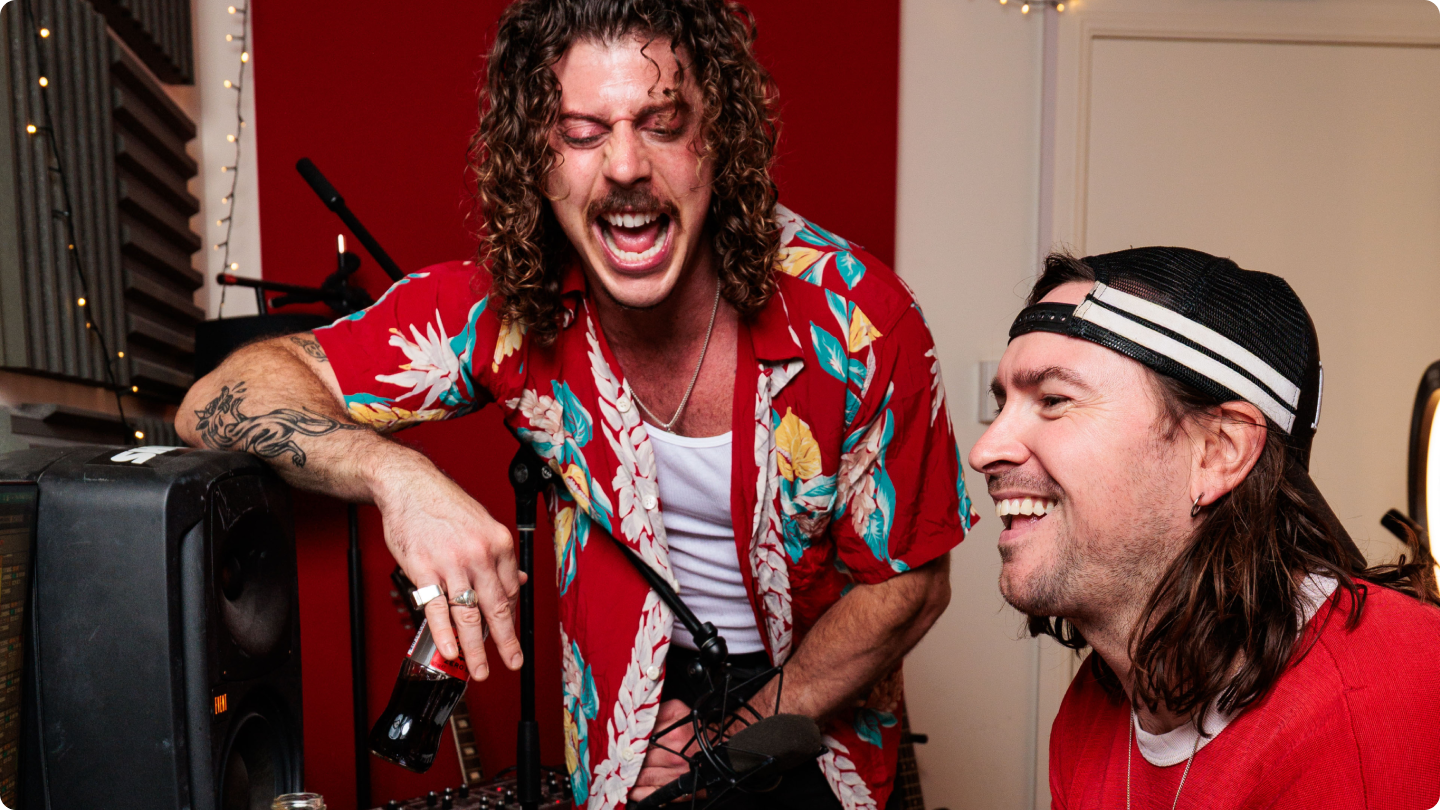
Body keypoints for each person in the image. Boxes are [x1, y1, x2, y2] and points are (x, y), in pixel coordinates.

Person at [178, 2, 976, 808]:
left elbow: (911, 585)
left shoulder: (861, 317)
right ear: (538, 157)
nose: (625, 165)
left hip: (817, 700)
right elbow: (216, 401)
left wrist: (728, 740)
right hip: (630, 721)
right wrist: (397, 479)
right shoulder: (504, 309)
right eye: (582, 132)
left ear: (719, 138)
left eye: (663, 124)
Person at [970, 246, 1440, 809]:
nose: (984, 450)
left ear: (1219, 451)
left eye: (1053, 400)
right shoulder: (1090, 712)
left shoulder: (1376, 709)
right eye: (1003, 404)